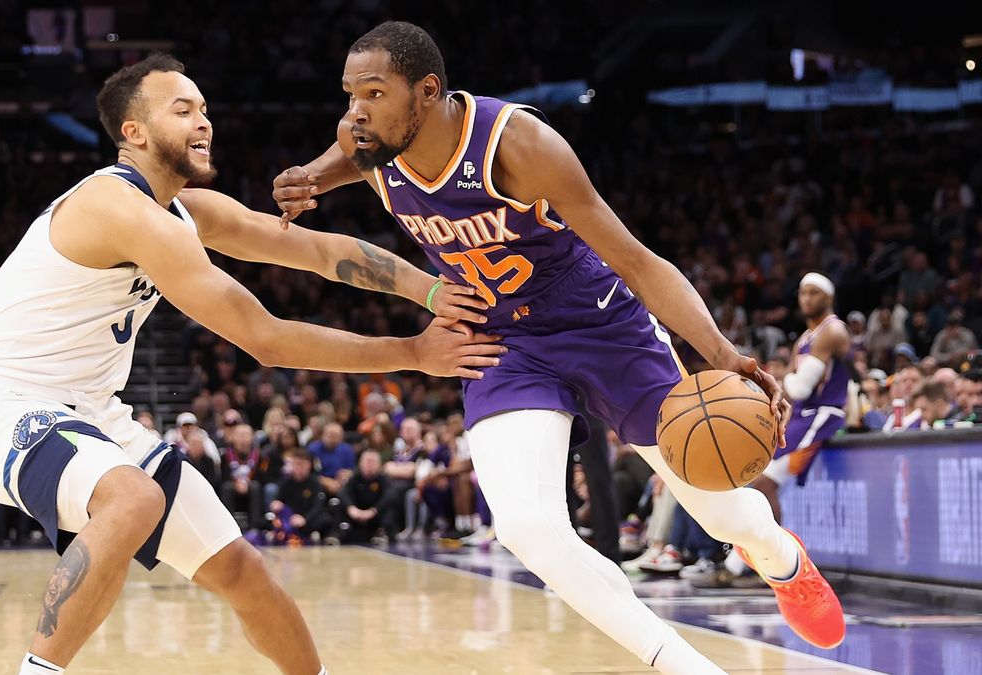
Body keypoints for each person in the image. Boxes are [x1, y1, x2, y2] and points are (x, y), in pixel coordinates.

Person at [272, 22, 843, 673]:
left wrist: (721, 351)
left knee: (719, 509)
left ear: (427, 92)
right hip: (502, 342)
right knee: (524, 524)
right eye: (350, 94)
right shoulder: (367, 139)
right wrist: (313, 176)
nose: (356, 112)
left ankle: (779, 556)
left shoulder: (518, 144)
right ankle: (685, 665)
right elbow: (349, 150)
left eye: (373, 93)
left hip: (602, 325)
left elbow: (635, 258)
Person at [0, 53, 502, 675]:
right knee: (131, 501)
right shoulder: (117, 205)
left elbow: (318, 251)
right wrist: (412, 353)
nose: (204, 121)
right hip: (3, 409)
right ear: (134, 132)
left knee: (243, 572)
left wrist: (427, 290)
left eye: (204, 108)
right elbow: (263, 337)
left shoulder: (188, 210)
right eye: (182, 110)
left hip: (94, 416)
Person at [752, 274, 850, 521]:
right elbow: (788, 384)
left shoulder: (833, 331)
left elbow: (799, 388)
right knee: (755, 480)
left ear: (828, 298)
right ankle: (740, 559)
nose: (806, 299)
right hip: (802, 414)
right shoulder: (806, 337)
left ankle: (774, 558)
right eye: (803, 293)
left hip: (823, 414)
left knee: (765, 483)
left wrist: (787, 381)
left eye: (813, 293)